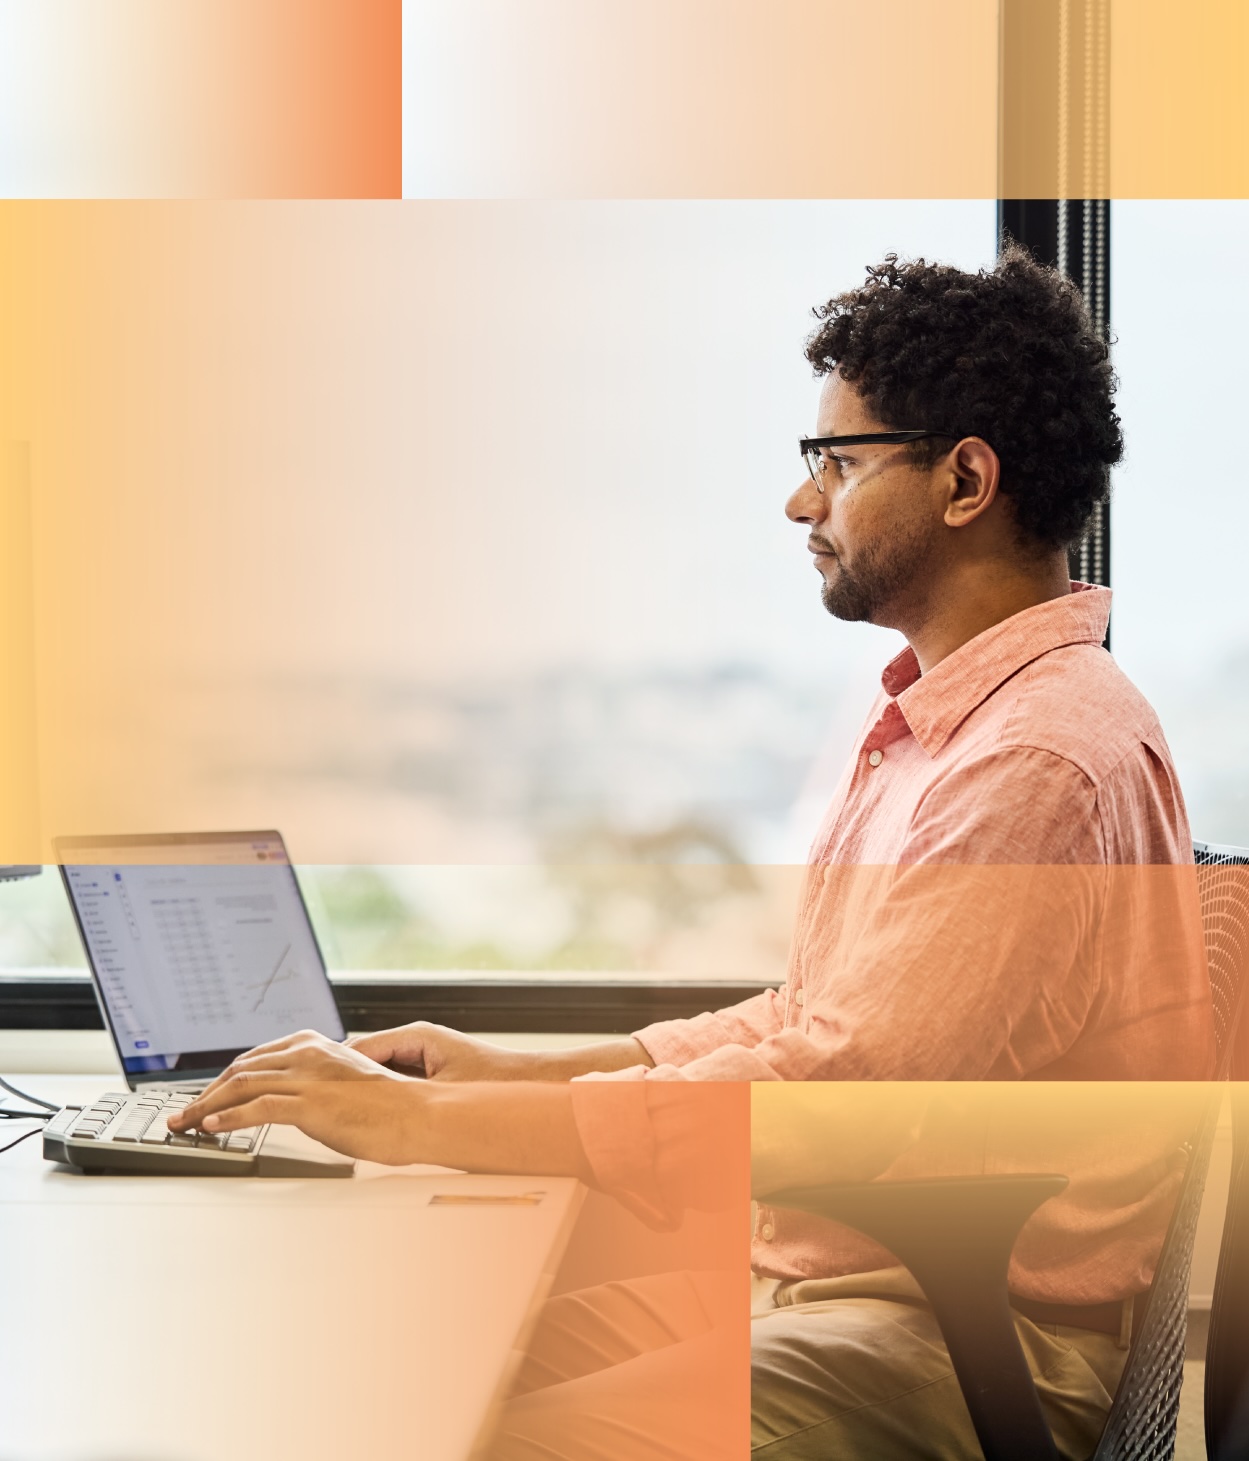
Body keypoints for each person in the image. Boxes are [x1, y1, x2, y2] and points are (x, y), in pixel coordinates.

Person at [170, 247, 1214, 1458]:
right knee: (402, 1374)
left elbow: (837, 1095)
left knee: (476, 1435)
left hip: (961, 1339)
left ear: (965, 480)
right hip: (862, 1292)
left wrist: (417, 1128)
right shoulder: (957, 728)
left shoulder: (1031, 763)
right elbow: (817, 1018)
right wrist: (507, 1075)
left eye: (836, 460)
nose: (801, 502)